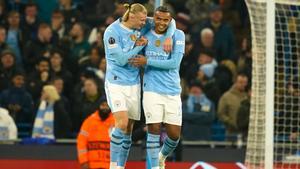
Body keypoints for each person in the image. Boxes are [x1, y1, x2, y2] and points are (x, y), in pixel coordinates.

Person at [103, 3, 175, 169]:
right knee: (121, 123)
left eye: (145, 20)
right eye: (142, 20)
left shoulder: (140, 25)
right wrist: (139, 47)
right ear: (132, 16)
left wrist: (170, 36)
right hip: (115, 82)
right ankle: (113, 165)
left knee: (128, 128)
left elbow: (170, 22)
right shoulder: (112, 32)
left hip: (133, 83)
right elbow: (121, 60)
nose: (144, 23)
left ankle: (121, 165)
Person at [128, 6, 185, 169]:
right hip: (151, 89)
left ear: (170, 21)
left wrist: (147, 61)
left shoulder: (178, 35)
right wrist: (138, 48)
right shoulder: (145, 33)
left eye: (165, 20)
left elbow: (174, 64)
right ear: (154, 18)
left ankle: (161, 157)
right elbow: (134, 54)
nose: (161, 22)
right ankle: (154, 167)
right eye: (158, 18)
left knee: (174, 136)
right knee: (154, 128)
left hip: (172, 91)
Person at [77, 97, 114, 169]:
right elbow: (81, 143)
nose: (105, 108)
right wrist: (83, 161)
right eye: (103, 105)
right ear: (98, 106)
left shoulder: (116, 122)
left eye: (107, 105)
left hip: (110, 165)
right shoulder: (89, 122)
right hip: (92, 165)